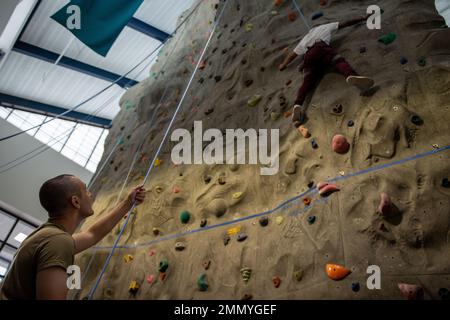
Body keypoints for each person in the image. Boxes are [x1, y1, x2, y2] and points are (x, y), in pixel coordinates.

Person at [0, 174, 146, 300]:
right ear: (75, 201)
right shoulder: (57, 241)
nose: (90, 194)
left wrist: (128, 203)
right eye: (86, 190)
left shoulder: (48, 235)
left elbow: (92, 234)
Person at [279, 14, 375, 127]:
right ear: (318, 25)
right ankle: (350, 75)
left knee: (307, 82)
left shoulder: (305, 39)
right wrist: (363, 17)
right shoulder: (324, 26)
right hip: (321, 48)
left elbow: (292, 55)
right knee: (339, 61)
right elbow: (345, 22)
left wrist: (283, 64)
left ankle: (298, 104)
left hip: (309, 56)